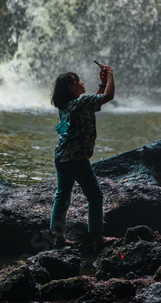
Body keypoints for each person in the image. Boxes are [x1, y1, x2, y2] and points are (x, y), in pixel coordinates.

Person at [50, 64, 116, 252]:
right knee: (95, 195)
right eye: (77, 81)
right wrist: (110, 75)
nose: (81, 82)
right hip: (76, 157)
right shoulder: (79, 103)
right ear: (71, 88)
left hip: (62, 157)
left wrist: (102, 83)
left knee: (62, 196)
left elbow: (94, 103)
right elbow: (108, 97)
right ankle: (98, 239)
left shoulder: (68, 105)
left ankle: (59, 238)